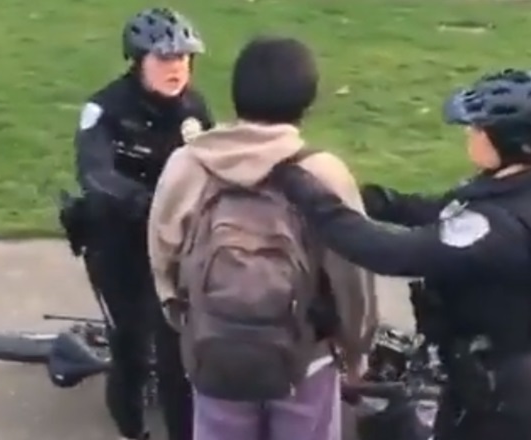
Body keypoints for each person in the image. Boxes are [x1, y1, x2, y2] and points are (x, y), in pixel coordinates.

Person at [271, 67, 531, 440]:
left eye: (479, 127)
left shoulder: (505, 227)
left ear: (515, 142)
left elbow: (390, 253)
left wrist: (303, 191)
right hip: (517, 375)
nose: (470, 132)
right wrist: (369, 199)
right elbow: (443, 213)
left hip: (498, 396)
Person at [147, 36, 377, 440]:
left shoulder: (188, 164)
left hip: (216, 349)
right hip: (306, 355)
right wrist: (356, 350)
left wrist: (189, 322)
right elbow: (352, 276)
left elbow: (163, 255)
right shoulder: (324, 173)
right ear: (306, 99)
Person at [71, 7, 214, 440]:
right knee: (131, 347)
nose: (177, 68)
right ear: (138, 61)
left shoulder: (194, 107)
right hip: (121, 247)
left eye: (184, 58)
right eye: (165, 59)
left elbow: (214, 161)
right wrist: (149, 203)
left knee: (176, 356)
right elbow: (96, 174)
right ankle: (133, 430)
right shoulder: (104, 109)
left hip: (173, 246)